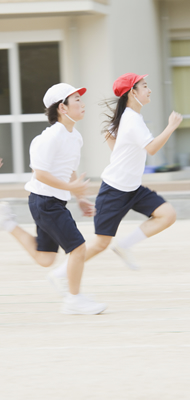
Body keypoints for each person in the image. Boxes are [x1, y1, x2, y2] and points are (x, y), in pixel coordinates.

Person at [49, 72, 182, 288]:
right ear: (133, 93)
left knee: (167, 215)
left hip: (132, 188)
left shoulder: (130, 118)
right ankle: (60, 273)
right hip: (114, 190)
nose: (149, 90)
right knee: (100, 243)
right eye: (145, 86)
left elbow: (108, 133)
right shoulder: (131, 119)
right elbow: (152, 149)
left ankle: (125, 245)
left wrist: (120, 155)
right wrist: (171, 126)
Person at [0, 83, 106, 315]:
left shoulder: (74, 136)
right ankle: (74, 300)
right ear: (62, 108)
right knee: (78, 248)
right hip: (45, 202)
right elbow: (40, 173)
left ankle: (7, 223)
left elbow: (69, 169)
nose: (82, 103)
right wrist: (70, 187)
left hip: (51, 202)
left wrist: (79, 197)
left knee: (46, 258)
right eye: (76, 99)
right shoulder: (49, 138)